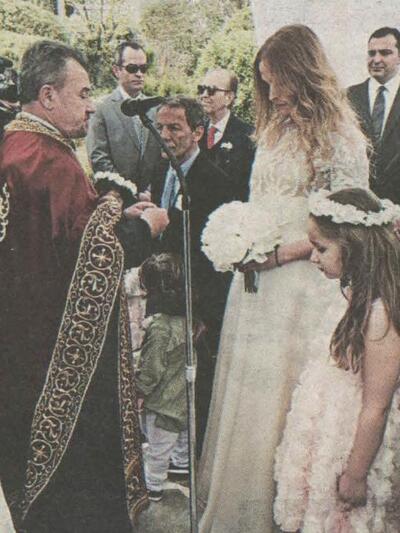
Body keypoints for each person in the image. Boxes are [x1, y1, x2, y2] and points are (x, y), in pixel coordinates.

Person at [198, 24, 369, 533]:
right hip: (256, 283)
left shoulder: (340, 137)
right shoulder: (273, 130)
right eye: (265, 83)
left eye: (278, 82)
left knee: (287, 396)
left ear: (303, 74)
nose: (271, 94)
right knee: (249, 396)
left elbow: (349, 225)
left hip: (303, 284)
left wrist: (279, 254)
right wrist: (240, 240)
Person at [0, 40, 168, 532]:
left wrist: (115, 212)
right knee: (76, 498)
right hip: (58, 358)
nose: (92, 105)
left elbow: (60, 235)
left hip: (21, 349)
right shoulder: (46, 159)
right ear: (48, 95)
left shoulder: (16, 146)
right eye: (83, 92)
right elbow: (94, 253)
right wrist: (146, 228)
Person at [274, 187, 400, 531]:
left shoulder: (382, 314)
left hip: (353, 442)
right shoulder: (353, 292)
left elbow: (376, 406)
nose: (313, 258)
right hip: (330, 428)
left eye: (321, 249)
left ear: (355, 247)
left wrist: (356, 475)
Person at [151, 96, 235, 453]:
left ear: (198, 132)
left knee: (193, 385)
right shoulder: (160, 170)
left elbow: (215, 257)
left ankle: (191, 456)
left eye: (175, 128)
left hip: (196, 302)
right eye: (160, 127)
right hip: (163, 297)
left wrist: (201, 313)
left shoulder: (215, 181)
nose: (165, 135)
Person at [135, 253, 192, 502]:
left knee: (157, 448)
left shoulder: (160, 328)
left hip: (162, 402)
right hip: (182, 395)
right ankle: (182, 463)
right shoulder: (188, 321)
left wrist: (139, 390)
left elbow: (152, 368)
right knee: (181, 436)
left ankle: (153, 485)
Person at [87, 41, 162, 192]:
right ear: (116, 70)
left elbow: (163, 155)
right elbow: (99, 159)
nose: (139, 74)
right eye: (132, 68)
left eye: (143, 68)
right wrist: (129, 193)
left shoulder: (156, 108)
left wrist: (152, 191)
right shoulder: (101, 109)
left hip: (154, 198)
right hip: (118, 197)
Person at [348, 27, 400, 203]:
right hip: (358, 204)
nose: (376, 59)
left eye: (385, 53)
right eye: (371, 53)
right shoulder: (347, 97)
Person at [198, 68, 255, 201]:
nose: (204, 95)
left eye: (211, 90)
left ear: (228, 98)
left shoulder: (248, 137)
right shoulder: (195, 131)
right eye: (201, 89)